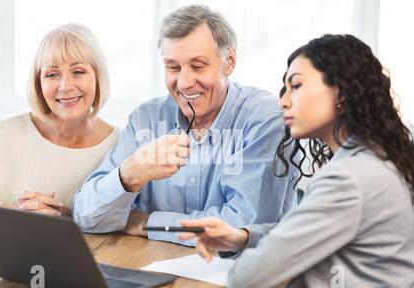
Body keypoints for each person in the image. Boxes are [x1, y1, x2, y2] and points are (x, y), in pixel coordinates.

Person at [180, 34, 414, 288]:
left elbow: (246, 282)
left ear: (341, 92)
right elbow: (302, 227)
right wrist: (243, 237)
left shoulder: (348, 179)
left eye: (297, 86)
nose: (283, 101)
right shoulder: (374, 159)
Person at [72, 5, 296, 244]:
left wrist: (146, 223)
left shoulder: (264, 118)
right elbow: (85, 216)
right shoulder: (145, 118)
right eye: (173, 67)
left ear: (229, 61)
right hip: (151, 266)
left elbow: (240, 227)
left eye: (198, 66)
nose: (184, 82)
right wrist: (130, 173)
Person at [0, 23, 119, 216]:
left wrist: (69, 216)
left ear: (98, 76)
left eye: (78, 72)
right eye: (52, 74)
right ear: (39, 83)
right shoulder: (5, 132)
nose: (65, 86)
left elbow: (124, 219)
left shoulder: (119, 144)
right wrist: (10, 211)